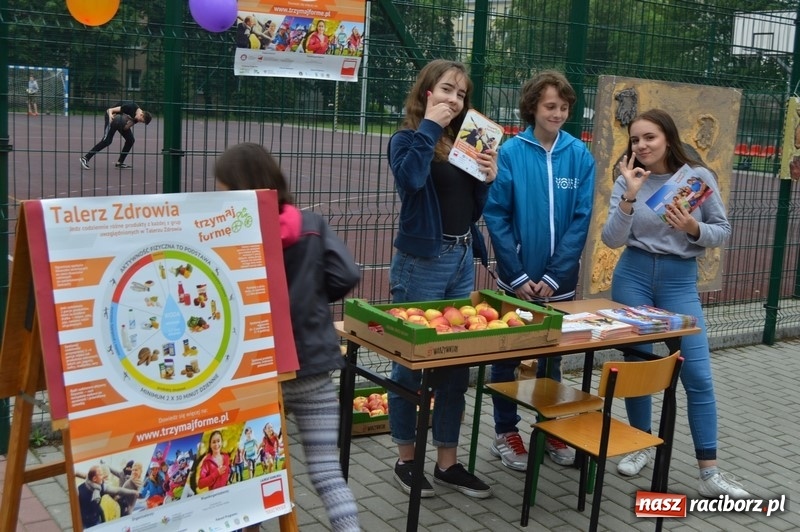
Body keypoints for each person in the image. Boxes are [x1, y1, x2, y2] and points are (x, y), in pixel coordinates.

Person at [600, 108, 749, 499]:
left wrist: (692, 227)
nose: (642, 145)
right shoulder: (628, 178)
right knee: (638, 369)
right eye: (635, 139)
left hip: (679, 281)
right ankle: (640, 446)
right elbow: (612, 240)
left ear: (667, 137)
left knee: (697, 375)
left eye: (649, 137)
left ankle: (710, 473)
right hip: (632, 276)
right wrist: (629, 196)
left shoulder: (697, 177)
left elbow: (722, 230)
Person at [215, 141, 361, 531]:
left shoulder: (232, 239)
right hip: (314, 369)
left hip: (260, 377)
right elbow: (347, 274)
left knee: (251, 478)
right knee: (328, 473)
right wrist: (315, 297)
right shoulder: (311, 226)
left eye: (222, 189)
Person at [386, 59, 497, 499]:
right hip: (421, 263)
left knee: (454, 365)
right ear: (427, 92)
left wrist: (487, 176)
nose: (456, 99)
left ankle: (447, 463)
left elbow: (472, 210)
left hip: (458, 257)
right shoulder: (407, 139)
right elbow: (411, 180)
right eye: (447, 90)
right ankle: (406, 460)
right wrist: (430, 127)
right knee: (410, 364)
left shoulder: (462, 143)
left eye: (462, 93)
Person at [483, 70, 595, 472]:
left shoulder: (580, 155)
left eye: (564, 107)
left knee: (551, 359)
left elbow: (581, 219)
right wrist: (516, 275)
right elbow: (496, 215)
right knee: (507, 356)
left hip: (557, 284)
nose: (559, 113)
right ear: (533, 107)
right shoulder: (512, 152)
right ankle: (505, 431)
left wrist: (553, 276)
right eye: (551, 106)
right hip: (517, 281)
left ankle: (550, 428)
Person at [80, 101, 152, 170]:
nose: (140, 122)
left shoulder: (136, 118)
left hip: (120, 121)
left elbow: (125, 128)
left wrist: (127, 120)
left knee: (130, 140)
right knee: (107, 141)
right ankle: (85, 158)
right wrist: (111, 116)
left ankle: (120, 162)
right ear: (142, 115)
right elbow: (110, 110)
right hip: (111, 116)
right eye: (141, 121)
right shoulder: (131, 106)